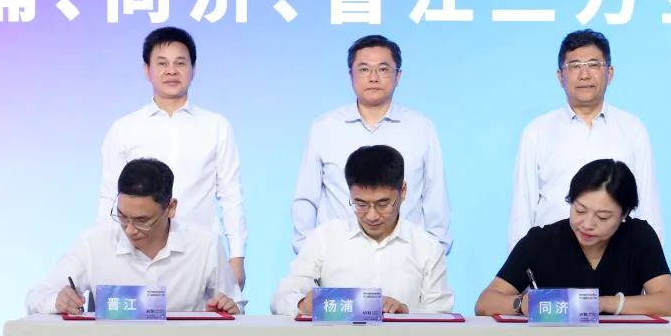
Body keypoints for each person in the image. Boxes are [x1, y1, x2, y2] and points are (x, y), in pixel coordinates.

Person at [96, 26, 248, 288]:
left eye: (180, 63)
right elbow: (110, 196)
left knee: (206, 316)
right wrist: (102, 256)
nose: (171, 71)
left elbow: (231, 195)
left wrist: (237, 257)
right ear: (147, 70)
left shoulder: (216, 126)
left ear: (193, 69)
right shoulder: (124, 128)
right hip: (138, 255)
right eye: (162, 63)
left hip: (200, 254)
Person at [290, 34, 452, 254]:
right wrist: (309, 253)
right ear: (351, 75)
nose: (373, 77)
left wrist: (435, 252)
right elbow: (306, 197)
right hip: (338, 256)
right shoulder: (325, 127)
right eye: (364, 69)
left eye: (383, 69)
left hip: (405, 257)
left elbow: (435, 197)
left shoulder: (420, 126)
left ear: (398, 76)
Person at [507, 29, 663, 252]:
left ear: (609, 73)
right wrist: (520, 266)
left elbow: (648, 205)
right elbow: (522, 208)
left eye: (593, 65)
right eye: (575, 66)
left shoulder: (632, 129)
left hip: (617, 257)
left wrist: (652, 263)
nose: (584, 75)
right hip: (551, 256)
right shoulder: (538, 131)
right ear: (560, 76)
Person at [29, 158, 242, 315]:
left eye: (142, 220)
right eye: (122, 216)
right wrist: (58, 301)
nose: (129, 230)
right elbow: (36, 296)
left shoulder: (204, 245)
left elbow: (235, 307)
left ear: (171, 208)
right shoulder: (93, 243)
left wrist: (227, 310)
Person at [476, 159, 671, 317]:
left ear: (624, 214)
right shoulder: (541, 241)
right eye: (580, 210)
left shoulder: (639, 237)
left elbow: (668, 303)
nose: (587, 224)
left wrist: (601, 304)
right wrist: (521, 304)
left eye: (602, 217)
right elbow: (484, 303)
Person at [271, 145, 454, 316]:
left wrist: (406, 311)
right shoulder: (324, 238)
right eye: (360, 204)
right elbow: (281, 298)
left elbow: (441, 315)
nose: (371, 216)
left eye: (383, 204)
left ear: (403, 191)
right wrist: (302, 304)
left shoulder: (427, 248)